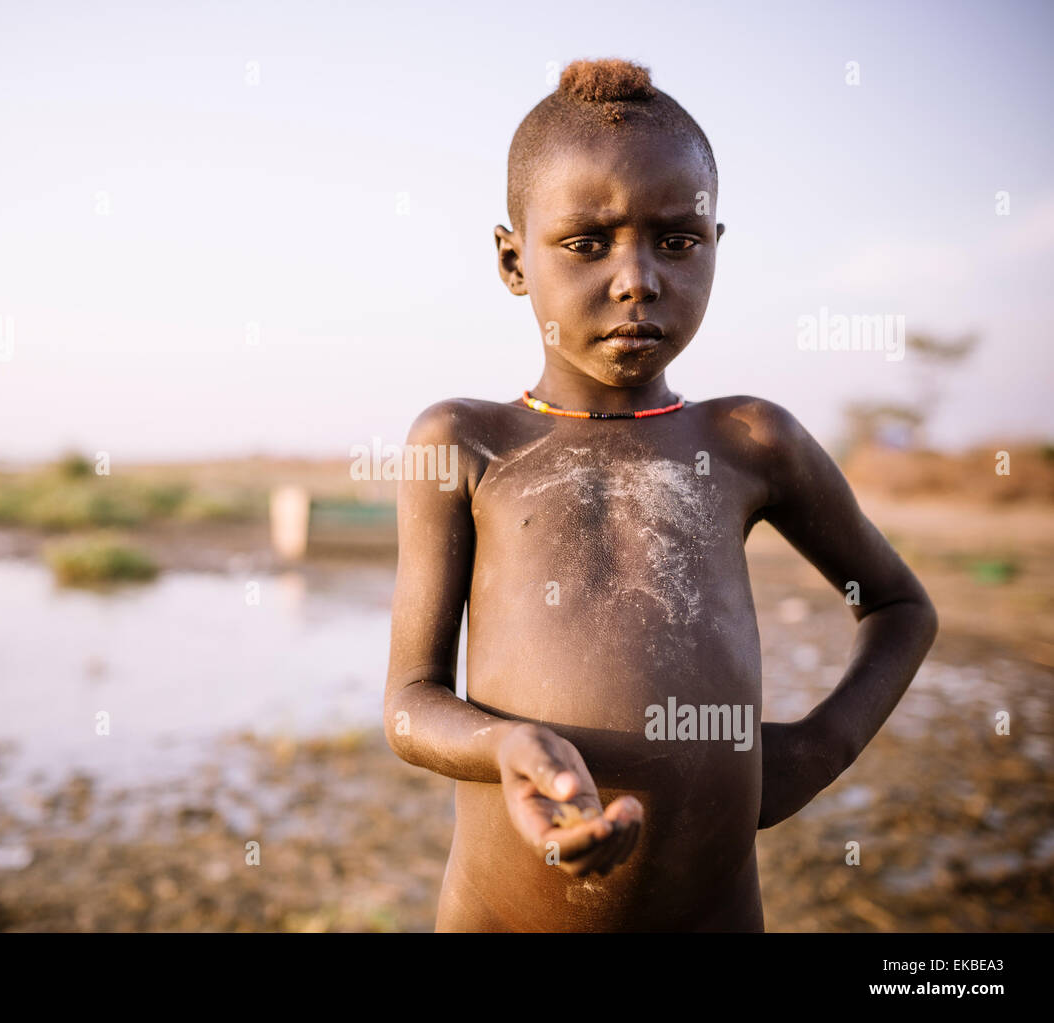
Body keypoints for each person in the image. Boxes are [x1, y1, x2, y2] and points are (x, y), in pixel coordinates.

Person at [382, 58, 938, 931]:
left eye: (678, 240)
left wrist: (815, 748)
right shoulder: (463, 443)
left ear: (718, 243)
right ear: (512, 259)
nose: (637, 277)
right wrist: (508, 746)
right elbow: (411, 703)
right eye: (587, 242)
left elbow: (900, 604)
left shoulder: (752, 442)